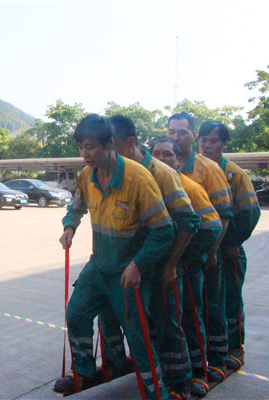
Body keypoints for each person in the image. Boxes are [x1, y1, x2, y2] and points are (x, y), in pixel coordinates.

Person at [53, 114, 173, 399]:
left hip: (128, 269)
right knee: (76, 313)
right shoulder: (86, 176)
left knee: (138, 337)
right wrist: (69, 226)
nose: (85, 154)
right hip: (99, 265)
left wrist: (138, 265)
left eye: (90, 147)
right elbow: (77, 206)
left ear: (109, 144)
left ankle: (156, 391)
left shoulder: (138, 179)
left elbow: (164, 231)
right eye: (81, 147)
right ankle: (84, 372)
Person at [109, 115, 200, 399]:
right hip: (136, 267)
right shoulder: (119, 171)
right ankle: (145, 375)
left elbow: (189, 221)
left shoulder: (162, 173)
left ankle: (181, 382)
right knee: (142, 326)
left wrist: (172, 264)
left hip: (162, 266)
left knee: (169, 324)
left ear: (129, 143)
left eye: (111, 145)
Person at [151, 137, 223, 396]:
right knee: (165, 322)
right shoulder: (149, 184)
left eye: (168, 155)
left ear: (179, 161)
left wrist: (182, 259)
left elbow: (212, 228)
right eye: (156, 154)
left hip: (185, 267)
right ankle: (169, 371)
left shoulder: (189, 187)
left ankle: (198, 371)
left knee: (190, 318)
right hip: (160, 268)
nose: (161, 159)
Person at [167, 112, 233, 386]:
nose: (175, 137)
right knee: (183, 312)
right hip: (176, 255)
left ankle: (213, 361)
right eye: (171, 131)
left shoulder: (208, 169)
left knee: (207, 307)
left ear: (192, 135)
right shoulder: (166, 164)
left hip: (202, 252)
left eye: (182, 132)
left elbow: (223, 216)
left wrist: (213, 251)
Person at [198, 122, 260, 370]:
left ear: (224, 144)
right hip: (203, 250)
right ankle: (209, 350)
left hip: (227, 251)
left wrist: (233, 241)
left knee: (230, 301)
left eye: (213, 141)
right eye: (203, 140)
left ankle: (235, 348)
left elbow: (250, 213)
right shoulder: (192, 170)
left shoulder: (236, 174)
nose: (207, 145)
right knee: (207, 302)